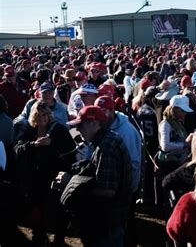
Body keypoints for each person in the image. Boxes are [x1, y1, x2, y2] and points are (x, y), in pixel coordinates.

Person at [64, 106, 133, 247]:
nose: (77, 130)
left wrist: (71, 184)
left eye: (80, 125)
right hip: (109, 220)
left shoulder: (106, 146)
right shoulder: (105, 139)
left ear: (95, 124)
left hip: (108, 222)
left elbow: (107, 191)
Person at [14, 101, 76, 246]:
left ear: (49, 116)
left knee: (59, 210)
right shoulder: (29, 131)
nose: (41, 118)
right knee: (37, 211)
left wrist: (52, 144)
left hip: (55, 178)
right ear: (33, 117)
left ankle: (59, 239)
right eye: (38, 115)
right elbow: (17, 149)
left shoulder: (58, 130)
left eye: (44, 115)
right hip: (35, 181)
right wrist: (33, 145)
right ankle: (38, 237)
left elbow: (71, 152)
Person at [94, 96, 142, 194]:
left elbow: (133, 163)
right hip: (111, 187)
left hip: (123, 191)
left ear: (112, 110)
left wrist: (128, 190)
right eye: (98, 112)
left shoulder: (126, 131)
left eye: (103, 111)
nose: (101, 115)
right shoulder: (105, 126)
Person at [162, 129, 196, 203]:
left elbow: (166, 182)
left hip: (194, 209)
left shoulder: (189, 171)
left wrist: (189, 160)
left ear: (195, 149)